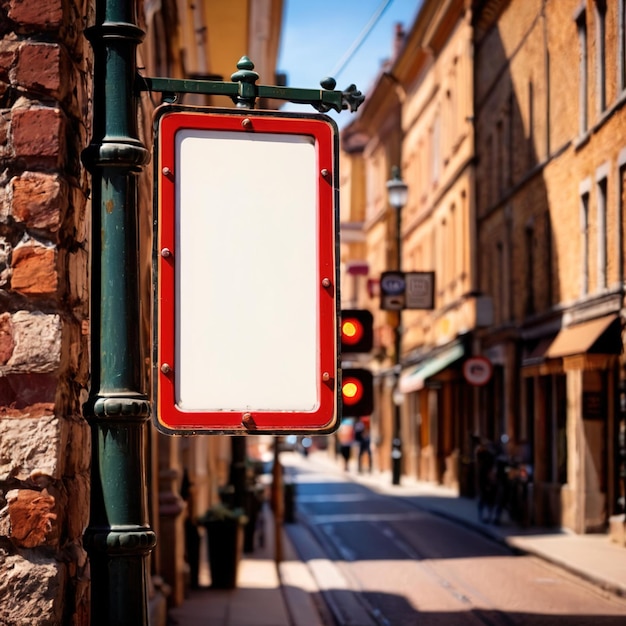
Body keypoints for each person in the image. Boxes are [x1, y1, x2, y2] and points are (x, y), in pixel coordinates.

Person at [474, 437, 496, 523]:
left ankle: (489, 515)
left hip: (488, 477)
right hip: (482, 477)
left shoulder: (490, 455)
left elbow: (493, 465)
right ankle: (482, 515)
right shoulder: (480, 454)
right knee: (483, 496)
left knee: (490, 497)